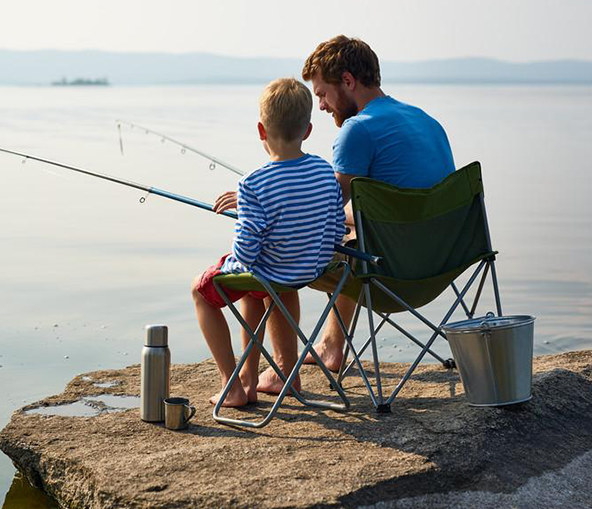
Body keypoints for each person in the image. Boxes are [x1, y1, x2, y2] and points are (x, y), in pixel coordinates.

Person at [217, 36, 456, 394]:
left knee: (275, 254)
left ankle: (284, 370)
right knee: (351, 236)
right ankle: (331, 344)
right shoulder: (425, 119)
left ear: (348, 81)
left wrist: (262, 201)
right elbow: (365, 209)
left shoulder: (357, 130)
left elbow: (320, 210)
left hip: (392, 271)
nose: (324, 106)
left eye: (323, 94)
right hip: (444, 259)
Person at [193, 77, 346, 408]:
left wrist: (243, 228)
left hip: (271, 273)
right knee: (260, 289)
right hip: (312, 269)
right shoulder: (324, 172)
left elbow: (246, 253)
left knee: (200, 291)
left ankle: (230, 383)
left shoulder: (252, 183)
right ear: (307, 130)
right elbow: (336, 231)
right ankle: (266, 378)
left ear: (261, 131)